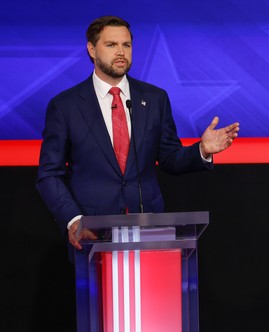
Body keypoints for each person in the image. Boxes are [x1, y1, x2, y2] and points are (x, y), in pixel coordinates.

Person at [36, 15, 239, 250]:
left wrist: (201, 150)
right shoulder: (65, 106)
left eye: (126, 45)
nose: (121, 52)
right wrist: (73, 219)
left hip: (148, 230)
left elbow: (169, 158)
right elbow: (49, 174)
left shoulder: (154, 99)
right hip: (93, 233)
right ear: (92, 49)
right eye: (111, 45)